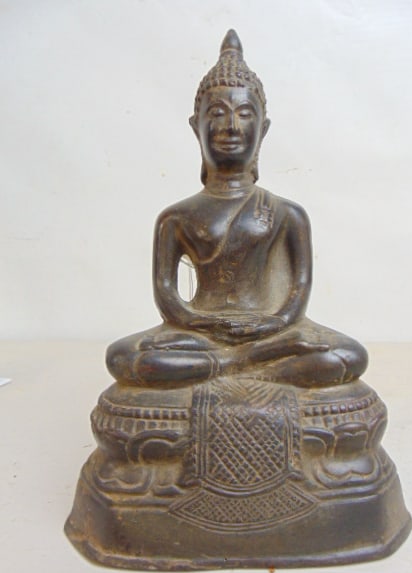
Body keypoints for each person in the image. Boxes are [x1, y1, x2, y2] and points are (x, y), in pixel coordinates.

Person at [106, 30, 367, 389]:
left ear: (263, 130)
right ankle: (244, 365)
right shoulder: (176, 217)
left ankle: (227, 366)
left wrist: (275, 323)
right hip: (199, 335)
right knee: (125, 357)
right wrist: (201, 323)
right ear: (196, 127)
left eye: (244, 114)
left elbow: (299, 290)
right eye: (217, 113)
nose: (230, 127)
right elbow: (167, 294)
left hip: (271, 332)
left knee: (347, 355)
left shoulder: (287, 214)